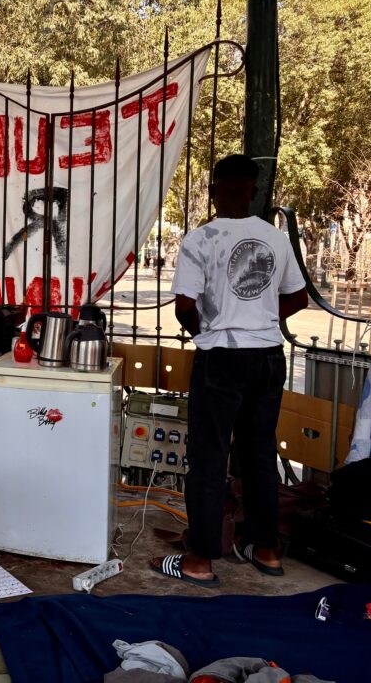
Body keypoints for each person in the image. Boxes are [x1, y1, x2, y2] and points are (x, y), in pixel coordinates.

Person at [151, 154, 308, 587]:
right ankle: (266, 550)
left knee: (209, 458)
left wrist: (211, 329)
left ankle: (200, 560)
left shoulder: (201, 239)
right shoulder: (275, 239)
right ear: (255, 190)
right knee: (259, 456)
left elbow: (185, 307)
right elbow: (298, 298)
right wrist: (262, 319)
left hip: (221, 357)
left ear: (213, 188)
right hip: (268, 357)